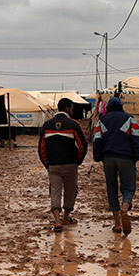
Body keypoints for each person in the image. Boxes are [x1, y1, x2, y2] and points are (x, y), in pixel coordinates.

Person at [93, 97, 139, 235]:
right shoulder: (130, 119)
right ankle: (125, 209)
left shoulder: (102, 121)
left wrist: (97, 157)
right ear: (121, 106)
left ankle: (117, 224)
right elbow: (137, 138)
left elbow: (97, 140)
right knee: (129, 187)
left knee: (111, 188)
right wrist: (136, 156)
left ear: (108, 107)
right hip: (126, 158)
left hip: (108, 158)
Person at [38, 98, 88, 232]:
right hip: (70, 164)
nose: (72, 111)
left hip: (53, 165)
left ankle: (57, 221)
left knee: (55, 190)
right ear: (67, 108)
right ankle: (66, 217)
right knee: (71, 190)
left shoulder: (47, 125)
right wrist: (78, 161)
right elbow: (83, 145)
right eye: (71, 108)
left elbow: (41, 148)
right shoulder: (73, 124)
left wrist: (47, 164)